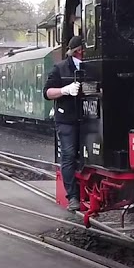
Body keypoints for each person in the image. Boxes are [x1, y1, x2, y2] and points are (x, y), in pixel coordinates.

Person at [43, 35, 85, 211]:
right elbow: (47, 92)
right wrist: (65, 90)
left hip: (87, 118)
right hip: (66, 118)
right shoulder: (59, 68)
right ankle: (73, 196)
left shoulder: (91, 67)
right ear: (78, 51)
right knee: (68, 154)